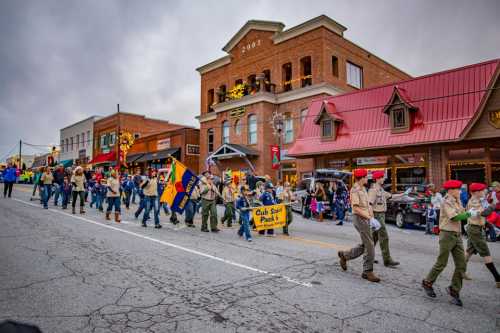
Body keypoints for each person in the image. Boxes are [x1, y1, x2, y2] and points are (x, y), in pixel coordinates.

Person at [422, 180, 469, 306]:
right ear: (451, 190)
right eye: (458, 189)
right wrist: (470, 214)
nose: (460, 191)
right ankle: (427, 282)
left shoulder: (456, 200)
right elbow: (455, 217)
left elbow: (462, 213)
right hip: (447, 234)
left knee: (461, 264)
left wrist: (467, 212)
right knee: (442, 262)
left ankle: (454, 289)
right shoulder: (446, 201)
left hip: (457, 234)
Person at [338, 169, 380, 282]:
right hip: (360, 219)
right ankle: (367, 271)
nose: (367, 179)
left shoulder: (363, 189)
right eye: (366, 177)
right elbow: (356, 209)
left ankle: (345, 255)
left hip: (366, 218)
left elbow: (368, 205)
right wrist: (369, 218)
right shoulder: (355, 190)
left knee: (367, 243)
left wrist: (372, 217)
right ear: (361, 178)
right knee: (370, 244)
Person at [463, 183, 500, 288]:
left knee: (469, 251)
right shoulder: (474, 201)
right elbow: (484, 213)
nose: (485, 192)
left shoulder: (478, 200)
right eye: (482, 190)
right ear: (477, 192)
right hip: (475, 230)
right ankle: (498, 278)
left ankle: (460, 271)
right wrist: (494, 205)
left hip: (476, 228)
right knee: (486, 253)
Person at [368, 170, 399, 268]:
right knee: (384, 237)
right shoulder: (373, 190)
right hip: (377, 215)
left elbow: (391, 196)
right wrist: (372, 219)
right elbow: (369, 205)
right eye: (382, 177)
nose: (384, 179)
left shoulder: (381, 190)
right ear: (377, 179)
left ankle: (368, 257)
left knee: (373, 238)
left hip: (381, 215)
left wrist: (404, 194)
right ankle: (387, 260)